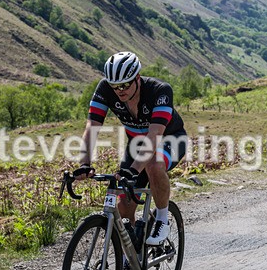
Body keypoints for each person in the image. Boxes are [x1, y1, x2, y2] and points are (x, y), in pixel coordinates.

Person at [75, 51, 188, 246]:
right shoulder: (105, 89)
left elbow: (154, 138)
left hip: (170, 139)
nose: (120, 90)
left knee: (154, 164)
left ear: (137, 77)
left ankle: (162, 219)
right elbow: (91, 129)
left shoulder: (160, 91)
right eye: (115, 86)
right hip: (137, 145)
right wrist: (84, 164)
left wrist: (133, 171)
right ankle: (134, 248)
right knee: (124, 208)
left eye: (126, 84)